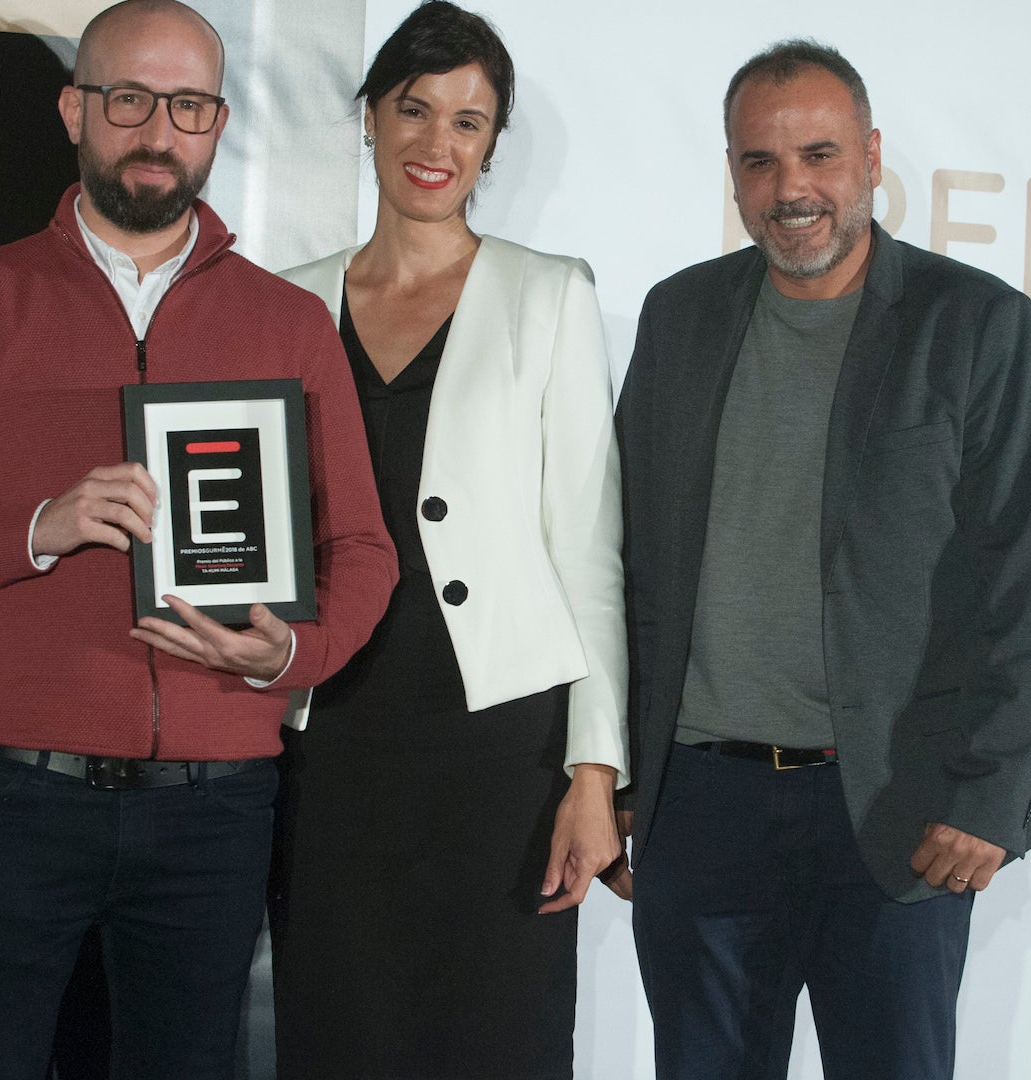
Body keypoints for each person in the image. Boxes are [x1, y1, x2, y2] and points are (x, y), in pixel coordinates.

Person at [0, 2, 397, 1076]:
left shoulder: (288, 324)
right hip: (9, 798)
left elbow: (361, 550)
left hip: (215, 810)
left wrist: (287, 655)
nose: (157, 130)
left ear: (218, 124)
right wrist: (39, 527)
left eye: (188, 105)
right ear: (75, 111)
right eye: (129, 99)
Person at [613, 40, 1031, 1080]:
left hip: (896, 810)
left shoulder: (979, 325)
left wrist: (989, 796)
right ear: (732, 173)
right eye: (760, 164)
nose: (792, 191)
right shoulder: (678, 315)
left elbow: (1027, 578)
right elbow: (632, 560)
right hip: (703, 804)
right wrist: (622, 773)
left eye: (818, 155)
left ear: (870, 158)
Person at [268, 4, 626, 1077]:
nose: (438, 144)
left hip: (499, 751)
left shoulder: (549, 295)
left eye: (470, 122)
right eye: (414, 109)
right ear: (368, 118)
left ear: (492, 146)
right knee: (337, 1031)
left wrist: (594, 771)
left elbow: (590, 550)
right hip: (327, 740)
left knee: (495, 1039)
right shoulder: (284, 304)